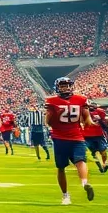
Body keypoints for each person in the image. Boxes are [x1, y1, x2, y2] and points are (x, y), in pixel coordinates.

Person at [45, 77, 94, 205]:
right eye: (63, 86)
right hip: (75, 136)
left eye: (66, 85)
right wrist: (86, 124)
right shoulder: (81, 99)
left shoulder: (52, 101)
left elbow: (48, 121)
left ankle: (67, 195)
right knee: (79, 161)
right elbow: (87, 119)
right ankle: (84, 183)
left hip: (61, 137)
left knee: (63, 167)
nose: (65, 88)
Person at [82, 104, 108, 174]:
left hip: (97, 135)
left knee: (102, 151)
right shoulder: (82, 112)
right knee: (93, 153)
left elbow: (105, 124)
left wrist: (100, 120)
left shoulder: (99, 112)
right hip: (87, 135)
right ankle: (102, 166)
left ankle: (104, 164)